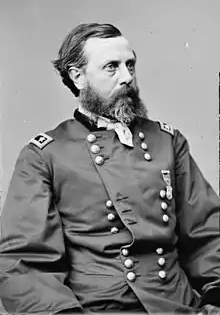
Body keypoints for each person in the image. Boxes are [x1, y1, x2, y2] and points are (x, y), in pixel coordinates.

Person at [0, 23, 219, 315]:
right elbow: (24, 262)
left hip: (177, 305)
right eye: (111, 67)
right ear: (78, 78)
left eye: (130, 65)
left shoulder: (168, 142)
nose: (127, 77)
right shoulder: (45, 155)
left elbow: (207, 232)